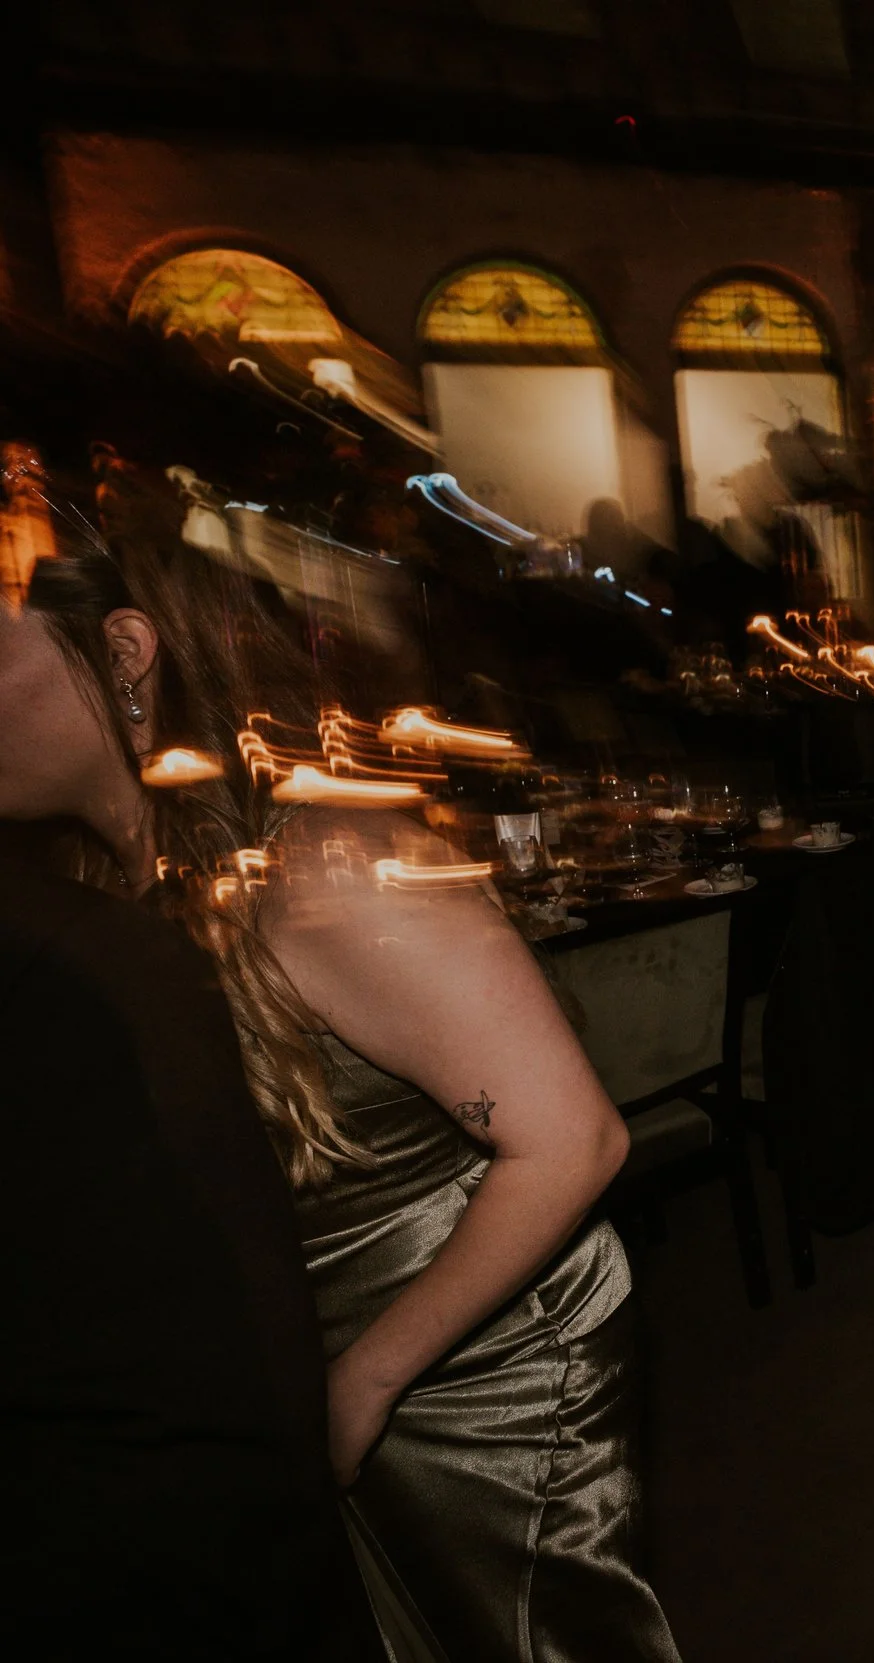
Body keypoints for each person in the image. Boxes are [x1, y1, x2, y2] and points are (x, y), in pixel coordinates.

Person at [2, 511, 680, 1661]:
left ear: (123, 651)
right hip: (314, 1374)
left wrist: (365, 1379)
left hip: (477, 1375)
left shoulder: (328, 867)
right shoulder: (96, 884)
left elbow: (570, 1140)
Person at [0, 857, 377, 1660]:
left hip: (397, 1349)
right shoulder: (98, 918)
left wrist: (366, 1379)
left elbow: (577, 1140)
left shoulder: (78, 945)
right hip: (299, 1357)